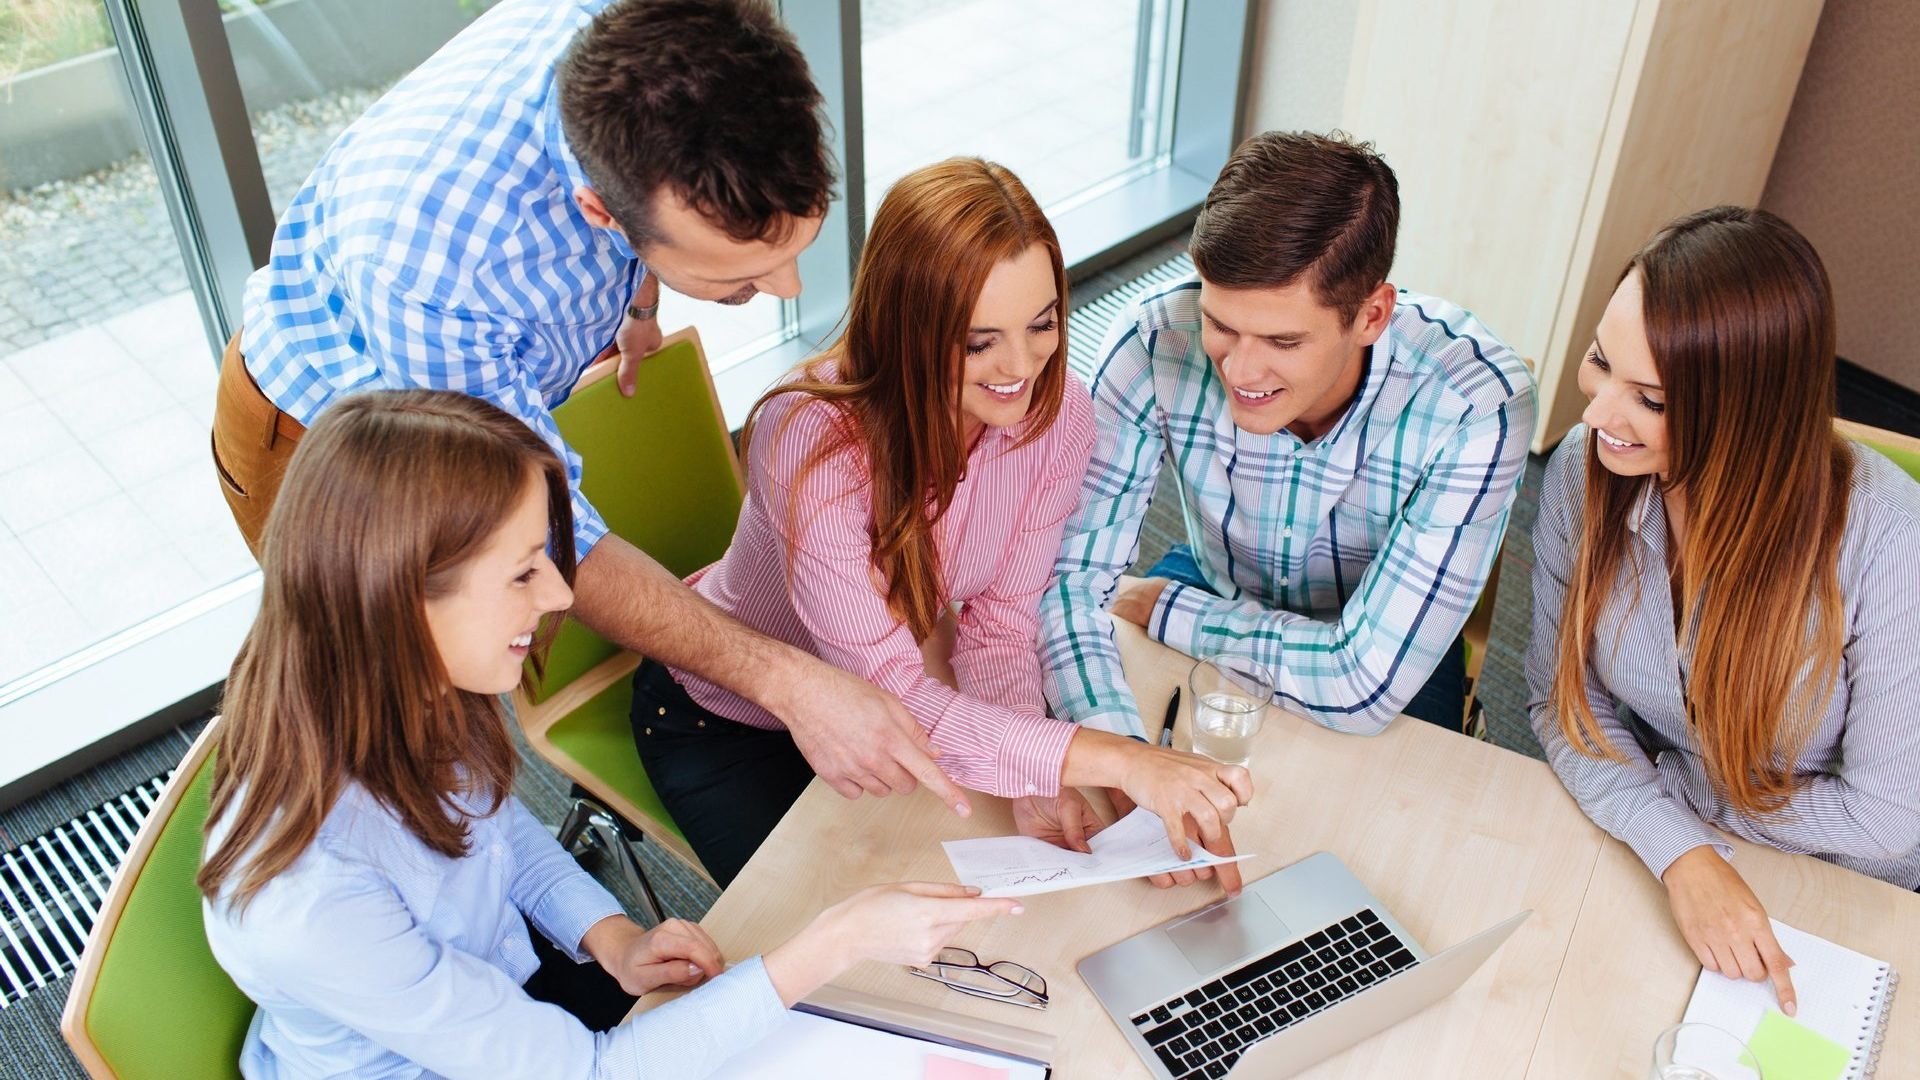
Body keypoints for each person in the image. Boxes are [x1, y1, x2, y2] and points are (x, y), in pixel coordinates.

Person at [209, 0, 969, 821]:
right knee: (411, 729)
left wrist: (638, 307)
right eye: (738, 276)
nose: (788, 288)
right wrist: (788, 684)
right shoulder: (438, 276)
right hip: (325, 431)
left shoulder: (668, 33)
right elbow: (560, 536)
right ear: (600, 211)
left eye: (797, 245)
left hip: (484, 357)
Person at [199, 391, 1019, 1079]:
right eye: (523, 571)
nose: (560, 596)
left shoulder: (395, 690)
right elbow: (594, 1073)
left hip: (508, 994)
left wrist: (611, 936)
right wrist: (836, 942)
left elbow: (496, 837)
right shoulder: (311, 899)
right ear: (400, 599)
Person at [630, 159, 1253, 888]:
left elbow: (1001, 626)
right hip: (728, 720)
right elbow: (890, 697)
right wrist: (1124, 760)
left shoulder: (1057, 418)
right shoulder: (808, 436)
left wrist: (1033, 778)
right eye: (979, 342)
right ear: (907, 328)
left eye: (1042, 323)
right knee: (825, 933)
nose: (1022, 366)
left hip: (885, 698)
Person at [1526, 206, 1920, 1020]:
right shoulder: (1585, 471)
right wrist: (1682, 854)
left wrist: (1676, 793)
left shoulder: (1890, 542)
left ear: (1750, 413)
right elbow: (1564, 704)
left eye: (1650, 399)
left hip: (1850, 891)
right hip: (1665, 849)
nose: (1597, 415)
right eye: (1601, 362)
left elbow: (1885, 818)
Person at [1040, 130, 1536, 758]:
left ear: (1372, 315)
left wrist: (1166, 606)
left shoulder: (1476, 403)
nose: (1240, 372)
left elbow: (1360, 685)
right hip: (1217, 585)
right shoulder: (1151, 340)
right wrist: (1119, 758)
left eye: (1283, 342)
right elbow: (1070, 584)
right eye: (1221, 324)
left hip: (1376, 631)